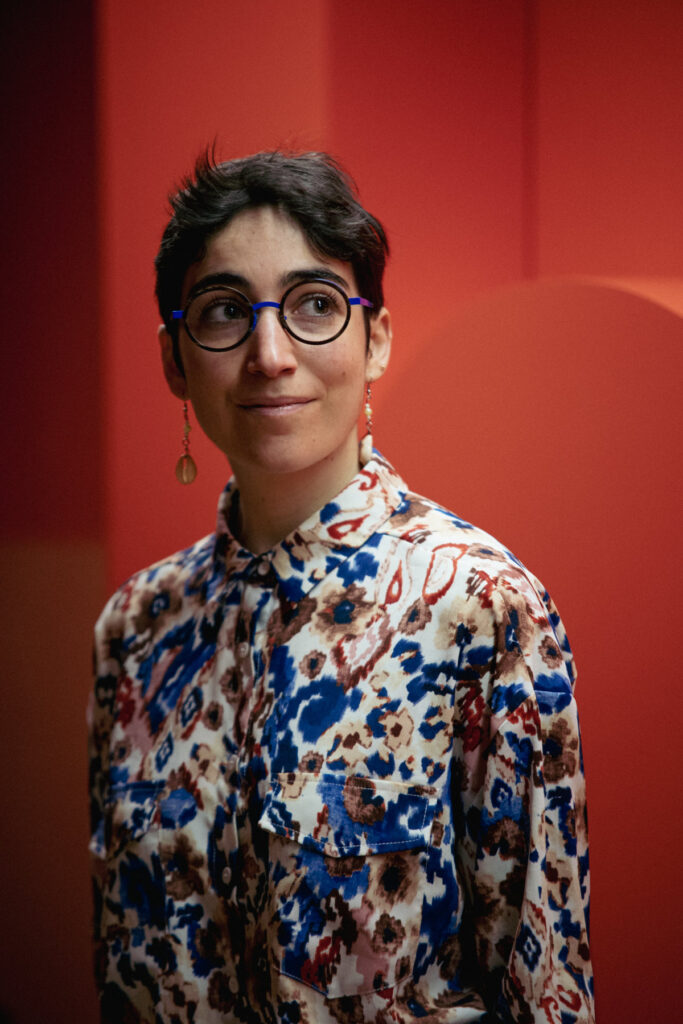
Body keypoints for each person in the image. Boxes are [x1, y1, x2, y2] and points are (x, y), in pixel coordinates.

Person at [88, 150, 594, 1024]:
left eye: (315, 305)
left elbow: (544, 982)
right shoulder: (137, 628)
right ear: (175, 358)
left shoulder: (478, 607)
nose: (270, 353)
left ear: (377, 339)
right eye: (224, 312)